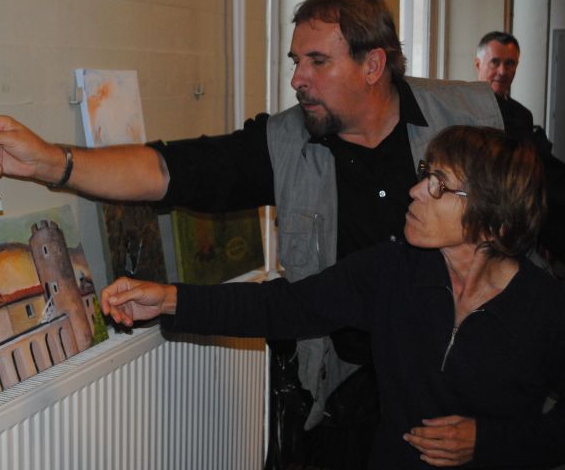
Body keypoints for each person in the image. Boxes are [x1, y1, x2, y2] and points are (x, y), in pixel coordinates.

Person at [0, 0, 511, 469]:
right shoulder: (287, 143)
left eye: (318, 61)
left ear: (372, 64)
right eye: (296, 61)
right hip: (348, 398)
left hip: (467, 396)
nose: (297, 79)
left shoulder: (480, 123)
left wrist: (492, 435)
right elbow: (173, 172)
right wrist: (51, 162)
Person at [102, 125, 565, 470]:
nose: (415, 190)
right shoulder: (393, 271)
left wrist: (488, 442)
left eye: (439, 185)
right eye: (426, 174)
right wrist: (169, 299)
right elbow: (283, 307)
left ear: (492, 222)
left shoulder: (544, 309)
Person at [475, 31, 565, 267]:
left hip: (520, 205)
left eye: (510, 63)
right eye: (495, 62)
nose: (502, 71)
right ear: (478, 64)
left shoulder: (521, 115)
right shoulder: (460, 108)